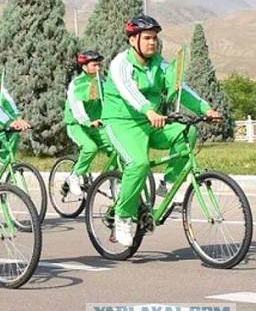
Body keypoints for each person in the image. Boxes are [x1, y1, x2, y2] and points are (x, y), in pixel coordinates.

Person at [102, 15, 220, 247]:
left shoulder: (161, 65)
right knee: (139, 164)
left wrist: (206, 108)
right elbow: (128, 91)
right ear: (133, 40)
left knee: (187, 132)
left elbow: (181, 89)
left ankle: (168, 182)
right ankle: (123, 217)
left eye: (155, 38)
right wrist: (148, 110)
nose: (152, 42)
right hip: (121, 122)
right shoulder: (121, 63)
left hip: (152, 121)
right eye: (147, 38)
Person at [63, 50, 110, 196]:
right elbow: (76, 106)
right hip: (77, 124)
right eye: (95, 65)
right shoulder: (76, 84)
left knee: (116, 148)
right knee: (90, 148)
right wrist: (87, 121)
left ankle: (114, 180)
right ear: (84, 67)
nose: (98, 68)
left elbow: (110, 102)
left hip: (97, 125)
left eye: (99, 65)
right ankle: (74, 176)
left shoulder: (102, 82)